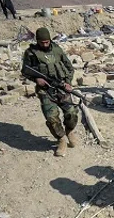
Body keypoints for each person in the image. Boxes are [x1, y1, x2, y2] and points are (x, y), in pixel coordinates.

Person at [21, 28, 80, 157]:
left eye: (47, 42)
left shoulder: (57, 50)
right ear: (37, 41)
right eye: (42, 42)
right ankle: (61, 139)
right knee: (52, 118)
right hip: (45, 91)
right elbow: (25, 71)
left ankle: (69, 131)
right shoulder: (31, 53)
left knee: (72, 113)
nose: (45, 45)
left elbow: (69, 67)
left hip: (61, 87)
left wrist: (68, 82)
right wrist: (36, 79)